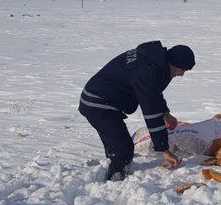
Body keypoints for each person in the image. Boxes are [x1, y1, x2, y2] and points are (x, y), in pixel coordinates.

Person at [79, 41, 195, 181]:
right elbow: (151, 112)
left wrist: (165, 113)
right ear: (172, 62)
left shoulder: (155, 61)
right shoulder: (147, 71)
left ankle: (113, 171)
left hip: (100, 100)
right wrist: (164, 149)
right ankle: (114, 182)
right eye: (181, 69)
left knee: (117, 147)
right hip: (98, 103)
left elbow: (153, 92)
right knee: (123, 150)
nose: (181, 74)